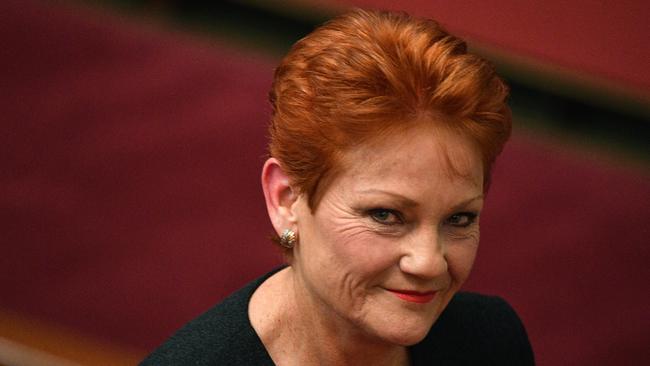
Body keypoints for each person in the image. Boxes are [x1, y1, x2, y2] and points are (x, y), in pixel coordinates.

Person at [142, 8, 534, 365]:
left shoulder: (491, 343)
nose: (429, 262)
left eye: (459, 218)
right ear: (287, 198)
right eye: (386, 215)